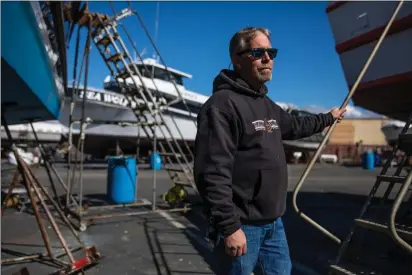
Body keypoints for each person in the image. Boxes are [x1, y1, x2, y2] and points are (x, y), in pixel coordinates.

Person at [193, 27, 346, 275]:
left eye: (271, 52)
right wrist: (230, 228)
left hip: (274, 224)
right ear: (236, 59)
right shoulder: (222, 106)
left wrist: (328, 117)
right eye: (258, 52)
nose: (268, 59)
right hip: (242, 227)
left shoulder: (266, 104)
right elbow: (212, 171)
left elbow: (295, 125)